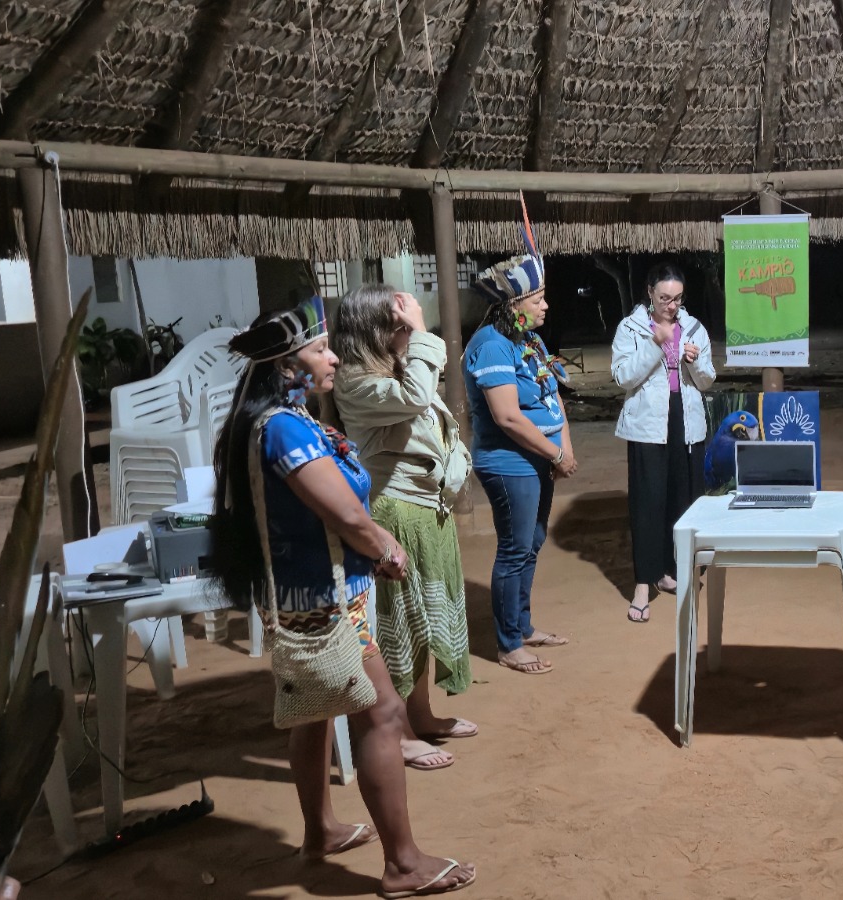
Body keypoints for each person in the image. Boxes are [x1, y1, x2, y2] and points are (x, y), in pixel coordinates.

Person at [209, 299, 475, 897]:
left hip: (310, 593)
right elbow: (346, 512)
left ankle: (319, 830)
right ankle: (403, 865)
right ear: (286, 365)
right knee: (381, 715)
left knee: (316, 709)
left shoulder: (277, 420)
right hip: (327, 603)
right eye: (319, 350)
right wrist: (381, 545)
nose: (331, 357)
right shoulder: (282, 428)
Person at [332, 285, 475, 771]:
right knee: (400, 624)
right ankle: (403, 733)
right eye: (399, 326)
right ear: (377, 329)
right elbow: (416, 398)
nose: (406, 334)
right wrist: (423, 332)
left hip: (426, 506)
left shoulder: (390, 368)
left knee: (426, 619)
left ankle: (423, 714)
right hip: (395, 510)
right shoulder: (354, 380)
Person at [464, 253, 575, 675]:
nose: (545, 306)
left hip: (539, 459)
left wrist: (563, 443)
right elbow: (507, 417)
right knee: (514, 550)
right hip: (510, 463)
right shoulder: (491, 343)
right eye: (538, 299)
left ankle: (522, 626)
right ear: (514, 305)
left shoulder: (528, 339)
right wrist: (557, 454)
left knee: (531, 542)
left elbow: (553, 396)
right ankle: (509, 643)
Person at [611, 261, 715, 622]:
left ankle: (673, 571)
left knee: (683, 500)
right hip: (647, 424)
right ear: (650, 295)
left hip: (685, 421)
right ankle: (644, 582)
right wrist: (656, 344)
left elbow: (706, 381)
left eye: (677, 298)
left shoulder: (694, 328)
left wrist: (695, 362)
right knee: (647, 502)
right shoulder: (631, 327)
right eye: (665, 298)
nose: (672, 306)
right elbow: (623, 377)